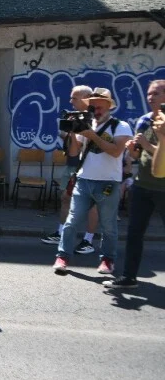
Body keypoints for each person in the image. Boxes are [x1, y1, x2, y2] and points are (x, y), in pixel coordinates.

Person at [53, 88, 132, 276]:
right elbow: (74, 153)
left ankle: (107, 259)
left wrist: (92, 136)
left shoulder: (120, 126)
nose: (95, 110)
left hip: (108, 183)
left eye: (99, 107)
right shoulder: (86, 125)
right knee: (72, 221)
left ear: (109, 106)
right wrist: (74, 132)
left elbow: (116, 152)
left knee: (108, 225)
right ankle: (62, 256)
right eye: (93, 107)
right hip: (84, 180)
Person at [104, 80, 165, 289]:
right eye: (149, 94)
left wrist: (147, 145)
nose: (151, 97)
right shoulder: (145, 121)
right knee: (134, 233)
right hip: (143, 185)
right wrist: (133, 151)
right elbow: (138, 155)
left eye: (156, 93)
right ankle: (129, 277)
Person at [41, 85, 100, 254]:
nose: (71, 101)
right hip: (73, 164)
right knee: (66, 198)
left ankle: (88, 240)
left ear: (86, 98)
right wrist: (69, 132)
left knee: (92, 205)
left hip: (90, 168)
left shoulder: (95, 119)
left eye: (74, 98)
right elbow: (73, 146)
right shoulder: (76, 117)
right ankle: (61, 232)